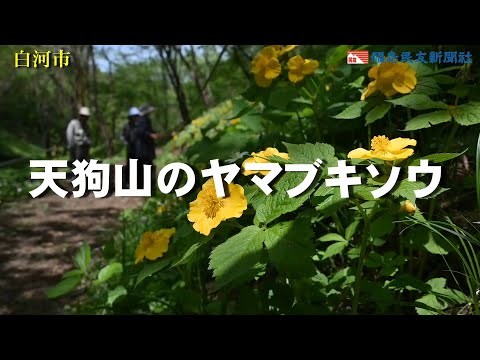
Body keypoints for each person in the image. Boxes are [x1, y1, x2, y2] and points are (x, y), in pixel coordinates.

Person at [135, 104, 160, 192]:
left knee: (149, 164)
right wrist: (151, 135)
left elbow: (148, 130)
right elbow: (140, 132)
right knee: (146, 165)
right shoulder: (142, 120)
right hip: (143, 148)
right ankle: (146, 186)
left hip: (147, 147)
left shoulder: (146, 120)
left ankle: (149, 185)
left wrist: (154, 133)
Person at [66, 106, 91, 178]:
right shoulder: (74, 123)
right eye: (84, 116)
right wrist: (71, 146)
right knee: (76, 164)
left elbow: (88, 136)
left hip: (84, 148)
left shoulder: (86, 126)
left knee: (85, 164)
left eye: (87, 117)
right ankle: (74, 179)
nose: (85, 118)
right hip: (76, 148)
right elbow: (69, 134)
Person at [120, 107, 141, 186]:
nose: (135, 118)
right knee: (129, 166)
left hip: (138, 149)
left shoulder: (139, 126)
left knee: (139, 166)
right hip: (130, 149)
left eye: (136, 116)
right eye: (134, 116)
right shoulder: (126, 126)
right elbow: (122, 136)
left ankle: (138, 183)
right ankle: (126, 182)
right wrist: (125, 142)